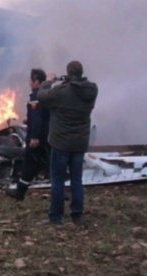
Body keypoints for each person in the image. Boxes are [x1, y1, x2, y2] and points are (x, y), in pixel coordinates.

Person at [38, 61, 98, 224]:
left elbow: (41, 96)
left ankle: (56, 217)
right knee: (76, 179)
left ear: (68, 73)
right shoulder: (92, 89)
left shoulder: (61, 92)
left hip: (61, 143)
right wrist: (67, 81)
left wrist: (49, 81)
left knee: (58, 180)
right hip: (79, 143)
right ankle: (77, 215)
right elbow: (78, 90)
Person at [6, 68, 50, 201]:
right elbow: (41, 116)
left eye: (31, 81)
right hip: (47, 136)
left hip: (38, 137)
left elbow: (38, 118)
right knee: (45, 164)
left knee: (31, 163)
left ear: (36, 81)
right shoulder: (47, 94)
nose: (29, 83)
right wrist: (28, 119)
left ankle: (20, 192)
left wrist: (35, 137)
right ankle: (62, 191)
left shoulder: (36, 96)